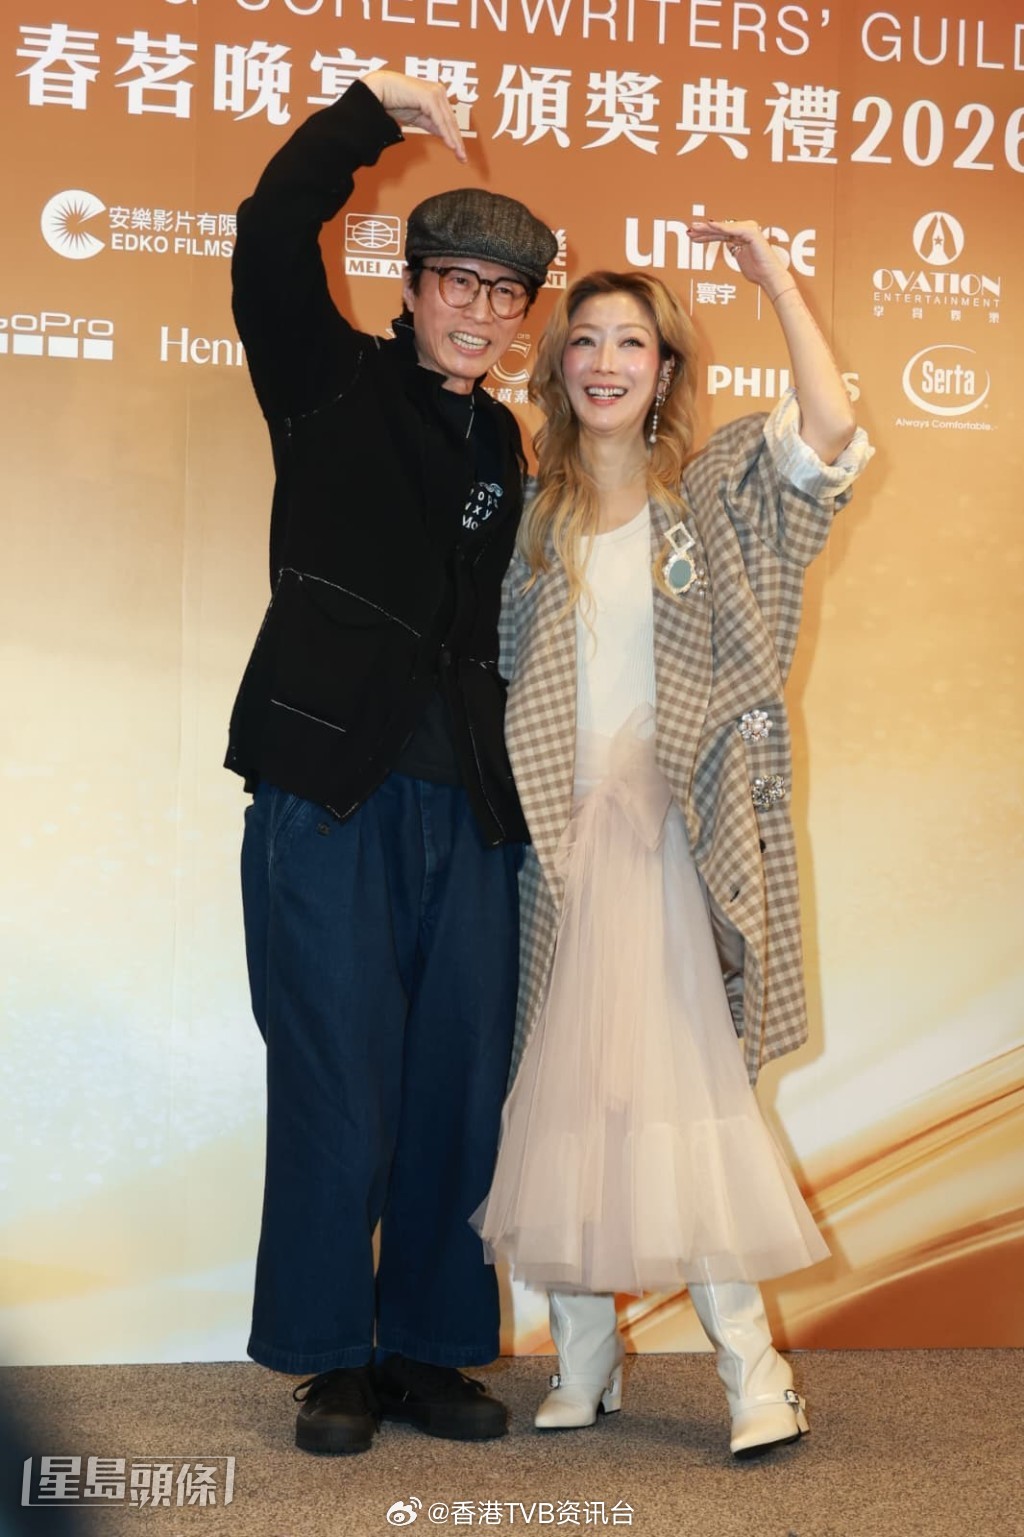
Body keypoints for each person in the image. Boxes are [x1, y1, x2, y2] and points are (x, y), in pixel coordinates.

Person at [474, 232, 873, 1456]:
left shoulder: (714, 498)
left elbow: (826, 434)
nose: (605, 363)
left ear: (663, 369)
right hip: (557, 855)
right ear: (559, 365)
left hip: (678, 846)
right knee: (565, 1106)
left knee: (695, 1104)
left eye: (630, 344)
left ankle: (754, 1372)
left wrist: (780, 283)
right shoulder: (527, 524)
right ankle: (584, 1355)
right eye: (584, 342)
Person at [227, 70, 557, 1455]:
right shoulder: (327, 382)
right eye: (456, 282)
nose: (479, 310)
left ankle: (426, 1345)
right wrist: (374, 111)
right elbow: (271, 225)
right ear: (411, 289)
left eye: (505, 293)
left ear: (522, 316)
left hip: (466, 813)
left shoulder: (505, 441)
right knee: (336, 1082)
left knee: (456, 1088)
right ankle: (330, 1358)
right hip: (327, 794)